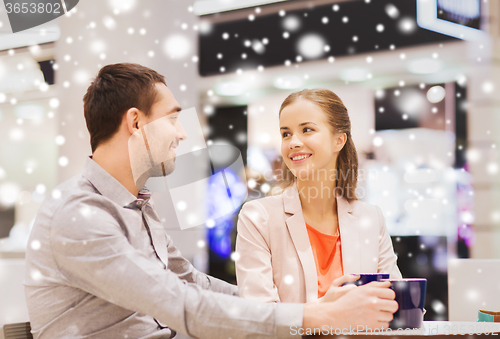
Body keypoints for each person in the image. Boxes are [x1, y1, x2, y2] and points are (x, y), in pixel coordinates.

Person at [25, 64, 398, 339]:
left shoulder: (136, 207)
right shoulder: (80, 214)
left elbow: (193, 284)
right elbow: (182, 305)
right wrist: (316, 317)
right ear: (136, 123)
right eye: (173, 119)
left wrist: (303, 308)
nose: (183, 134)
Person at [236, 88, 402, 304]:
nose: (293, 142)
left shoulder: (370, 218)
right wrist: (326, 310)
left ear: (338, 141)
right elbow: (260, 319)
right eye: (286, 133)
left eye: (307, 129)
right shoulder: (258, 218)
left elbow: (394, 303)